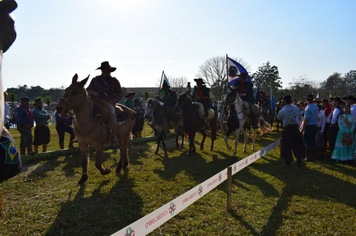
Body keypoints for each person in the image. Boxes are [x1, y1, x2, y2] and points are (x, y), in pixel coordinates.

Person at [87, 61, 123, 143]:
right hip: (95, 101)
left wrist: (113, 101)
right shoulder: (95, 80)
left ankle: (113, 134)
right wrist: (93, 93)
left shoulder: (114, 81)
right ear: (102, 70)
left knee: (112, 114)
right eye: (105, 69)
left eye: (108, 70)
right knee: (83, 111)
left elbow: (120, 93)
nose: (106, 71)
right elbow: (88, 90)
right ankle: (81, 134)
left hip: (108, 102)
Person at [277, 95, 305, 166]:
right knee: (297, 144)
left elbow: (278, 117)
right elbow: (298, 114)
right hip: (295, 127)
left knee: (287, 145)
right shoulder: (295, 107)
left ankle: (288, 161)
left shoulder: (283, 110)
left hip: (288, 128)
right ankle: (299, 159)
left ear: (284, 101)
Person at [300, 94, 319, 162]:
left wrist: (302, 129)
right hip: (314, 125)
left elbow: (306, 119)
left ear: (306, 100)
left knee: (307, 142)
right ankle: (313, 156)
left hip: (309, 125)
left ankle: (308, 157)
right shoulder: (316, 106)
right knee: (313, 141)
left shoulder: (308, 108)